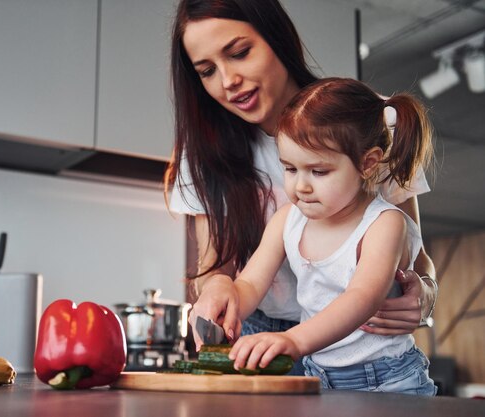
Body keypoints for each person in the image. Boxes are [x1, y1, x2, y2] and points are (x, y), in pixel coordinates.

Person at [164, 0, 438, 374]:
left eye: (240, 53)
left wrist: (424, 296)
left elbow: (415, 258)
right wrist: (216, 290)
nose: (228, 81)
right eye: (207, 71)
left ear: (277, 38)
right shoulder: (201, 153)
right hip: (258, 338)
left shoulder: (369, 125)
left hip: (359, 341)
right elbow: (220, 270)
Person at [227, 77, 436, 395]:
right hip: (320, 377)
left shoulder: (385, 224)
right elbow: (251, 283)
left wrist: (294, 339)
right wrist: (230, 309)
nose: (301, 187)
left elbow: (361, 299)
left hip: (388, 381)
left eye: (319, 171)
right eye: (290, 169)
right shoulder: (288, 220)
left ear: (367, 163)